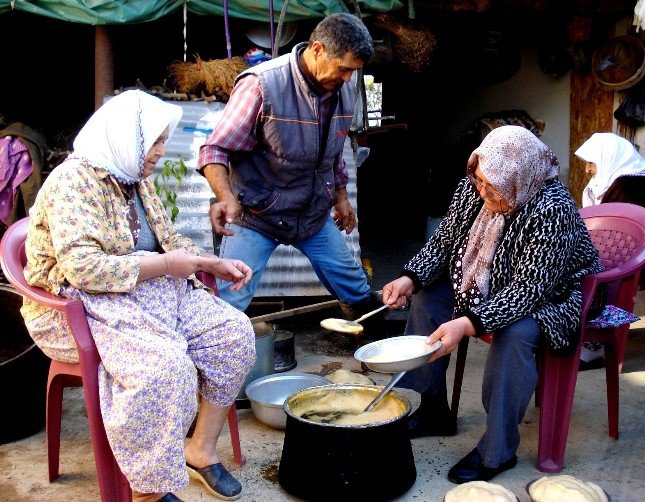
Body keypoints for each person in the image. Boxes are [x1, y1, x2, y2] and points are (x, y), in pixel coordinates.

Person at [21, 90, 256, 502]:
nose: (161, 153)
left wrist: (207, 262)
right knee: (165, 368)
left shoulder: (134, 178)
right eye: (155, 143)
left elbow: (166, 240)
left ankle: (198, 450)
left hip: (145, 292)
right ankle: (150, 489)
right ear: (124, 138)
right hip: (79, 303)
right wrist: (167, 267)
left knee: (232, 334)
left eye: (164, 142)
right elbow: (84, 269)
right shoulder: (71, 184)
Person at [382, 126, 602, 484]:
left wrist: (466, 324)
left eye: (492, 187)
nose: (481, 190)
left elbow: (527, 292)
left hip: (556, 295)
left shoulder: (553, 209)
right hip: (484, 280)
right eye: (480, 180)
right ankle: (432, 407)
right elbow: (444, 242)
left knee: (515, 332)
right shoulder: (475, 186)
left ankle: (497, 450)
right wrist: (410, 278)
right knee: (426, 299)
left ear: (519, 180)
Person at [197, 13, 382, 325]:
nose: (349, 79)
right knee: (228, 304)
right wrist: (225, 196)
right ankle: (211, 361)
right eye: (345, 69)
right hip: (257, 216)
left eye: (355, 71)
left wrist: (340, 197)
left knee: (357, 290)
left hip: (311, 214)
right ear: (318, 49)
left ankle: (366, 342)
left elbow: (334, 151)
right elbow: (215, 149)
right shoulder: (262, 85)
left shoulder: (344, 89)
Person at [575, 132, 645, 370]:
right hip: (631, 249)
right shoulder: (615, 181)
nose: (587, 170)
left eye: (591, 163)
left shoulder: (632, 188)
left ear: (608, 159)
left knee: (589, 272)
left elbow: (622, 233)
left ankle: (593, 346)